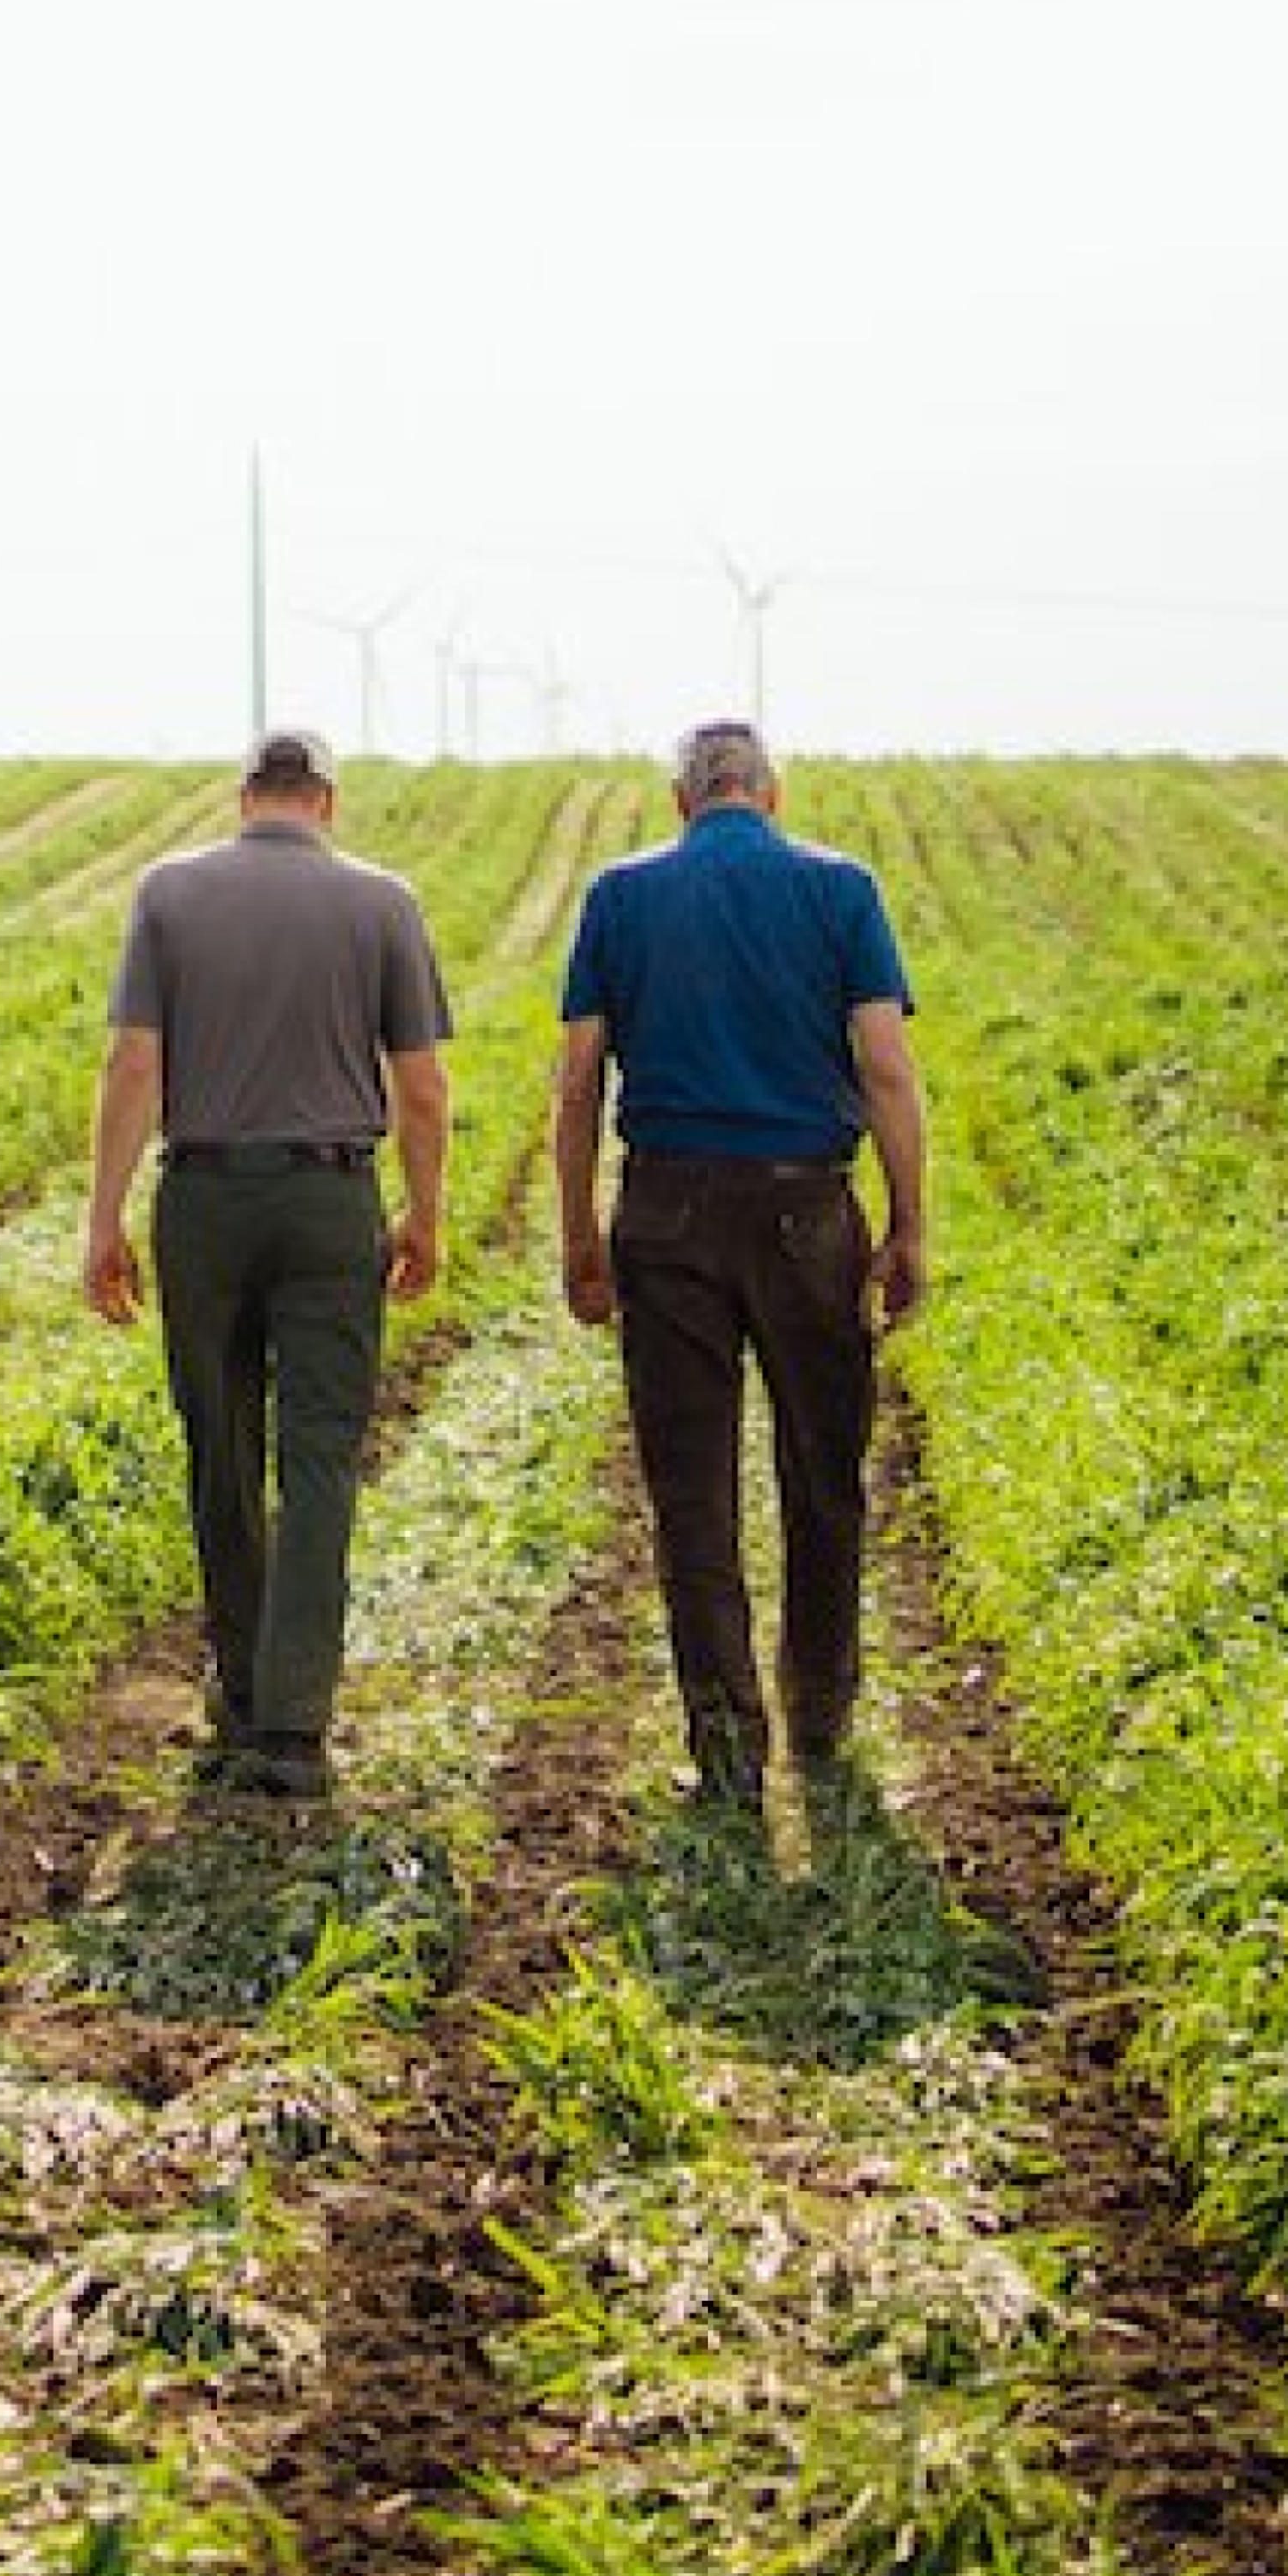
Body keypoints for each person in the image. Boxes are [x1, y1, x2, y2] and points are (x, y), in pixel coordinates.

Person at [550, 720, 925, 1812]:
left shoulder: (621, 896)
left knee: (691, 1492)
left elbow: (578, 1085)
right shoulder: (841, 890)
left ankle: (724, 1745)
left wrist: (579, 1235)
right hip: (810, 1207)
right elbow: (887, 1069)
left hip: (665, 1211)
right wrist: (907, 1224)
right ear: (773, 792)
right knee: (823, 1474)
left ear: (681, 802)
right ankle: (820, 1718)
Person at [84, 727, 453, 1800]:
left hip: (201, 1197)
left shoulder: (168, 893)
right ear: (326, 802)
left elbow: (134, 1063)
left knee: (221, 1444)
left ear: (247, 796)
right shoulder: (383, 902)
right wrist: (423, 1215)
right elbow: (422, 1086)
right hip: (331, 1198)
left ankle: (240, 1689)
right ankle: (295, 1724)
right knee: (322, 1454)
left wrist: (103, 1219)